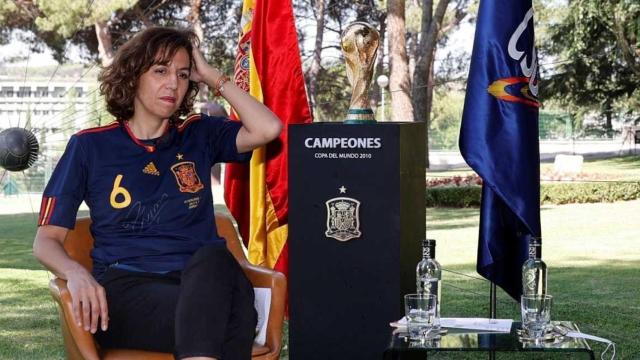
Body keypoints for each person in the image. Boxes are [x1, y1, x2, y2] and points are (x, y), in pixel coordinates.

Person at [33, 27, 282, 360]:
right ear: (133, 76)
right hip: (126, 290)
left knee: (213, 258)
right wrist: (77, 273)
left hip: (204, 280)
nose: (173, 84)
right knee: (231, 317)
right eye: (160, 71)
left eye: (182, 74)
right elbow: (45, 240)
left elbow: (268, 129)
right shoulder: (90, 146)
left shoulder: (199, 134)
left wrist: (211, 76)